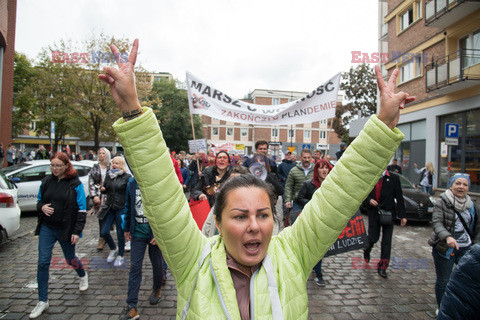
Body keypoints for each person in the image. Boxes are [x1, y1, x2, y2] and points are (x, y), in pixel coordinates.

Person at [99, 39, 414, 318]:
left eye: (263, 214)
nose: (254, 225)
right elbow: (162, 193)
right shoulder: (193, 260)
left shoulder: (293, 254)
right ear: (218, 225)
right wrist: (132, 110)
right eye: (240, 216)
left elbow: (339, 194)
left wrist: (382, 125)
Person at [30, 152, 88, 319]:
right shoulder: (46, 182)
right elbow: (39, 201)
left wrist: (77, 231)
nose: (55, 169)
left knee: (70, 259)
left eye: (58, 166)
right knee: (42, 262)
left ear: (66, 166)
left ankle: (82, 275)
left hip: (66, 229)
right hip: (47, 228)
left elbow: (82, 209)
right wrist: (41, 207)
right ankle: (42, 301)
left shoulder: (75, 183)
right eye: (52, 165)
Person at [428, 173, 480, 314]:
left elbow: (477, 228)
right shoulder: (442, 202)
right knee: (444, 280)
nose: (461, 187)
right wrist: (448, 237)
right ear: (451, 185)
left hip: (466, 249)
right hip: (445, 248)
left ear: (468, 187)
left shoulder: (472, 205)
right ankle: (442, 308)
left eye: (465, 184)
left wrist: (475, 245)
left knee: (466, 280)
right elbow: (437, 223)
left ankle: (463, 308)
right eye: (458, 183)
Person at [119, 176, 164, 320]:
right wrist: (126, 228)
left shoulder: (156, 180)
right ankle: (131, 306)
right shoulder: (132, 183)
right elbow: (129, 205)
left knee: (157, 264)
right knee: (135, 267)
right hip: (137, 233)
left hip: (153, 234)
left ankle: (157, 288)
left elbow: (162, 209)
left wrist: (159, 233)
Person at [363, 169, 407, 278]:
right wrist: (369, 200)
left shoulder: (394, 178)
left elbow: (399, 197)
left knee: (386, 242)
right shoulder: (370, 176)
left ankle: (383, 266)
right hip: (374, 213)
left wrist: (402, 215)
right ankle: (366, 250)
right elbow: (362, 194)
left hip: (388, 213)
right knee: (373, 238)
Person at [296, 159, 333, 286]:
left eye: (326, 168)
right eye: (321, 168)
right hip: (312, 219)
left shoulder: (333, 184)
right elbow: (299, 198)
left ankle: (315, 268)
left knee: (320, 247)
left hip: (326, 220)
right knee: (314, 246)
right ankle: (318, 274)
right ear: (316, 170)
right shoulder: (308, 184)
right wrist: (313, 204)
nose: (324, 170)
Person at [100, 156, 131, 267]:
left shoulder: (127, 177)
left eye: (117, 163)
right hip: (110, 207)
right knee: (104, 231)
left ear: (122, 164)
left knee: (120, 233)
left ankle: (120, 255)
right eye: (113, 163)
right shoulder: (109, 175)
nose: (114, 165)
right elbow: (106, 188)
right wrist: (103, 189)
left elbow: (129, 193)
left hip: (121, 208)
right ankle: (113, 248)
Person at [437, 243, 480, 320]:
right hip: (448, 248)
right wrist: (447, 237)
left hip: (465, 247)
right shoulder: (474, 260)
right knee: (443, 280)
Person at [88, 147, 111, 251]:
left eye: (103, 153)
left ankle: (107, 233)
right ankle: (102, 237)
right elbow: (91, 181)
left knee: (110, 217)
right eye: (99, 153)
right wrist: (94, 196)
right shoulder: (95, 167)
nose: (101, 155)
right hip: (99, 196)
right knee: (101, 217)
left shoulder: (111, 166)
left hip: (110, 196)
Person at [284, 149, 314, 224]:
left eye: (308, 157)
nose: (306, 160)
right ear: (300, 158)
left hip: (312, 201)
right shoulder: (294, 171)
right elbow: (288, 186)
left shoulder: (316, 170)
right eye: (304, 157)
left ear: (311, 158)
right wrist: (288, 199)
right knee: (296, 223)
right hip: (298, 202)